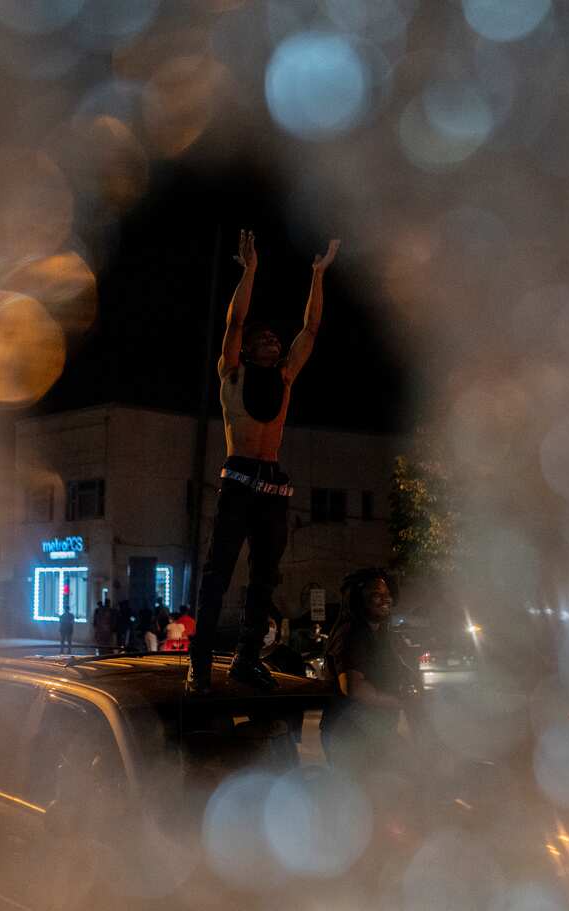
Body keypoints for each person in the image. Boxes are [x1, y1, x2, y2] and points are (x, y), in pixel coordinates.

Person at [188, 228, 341, 696]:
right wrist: (251, 271)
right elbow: (235, 323)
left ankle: (246, 658)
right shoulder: (231, 374)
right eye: (266, 340)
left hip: (272, 483)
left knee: (264, 577)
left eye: (277, 339)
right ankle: (199, 665)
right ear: (250, 350)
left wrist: (317, 276)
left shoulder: (287, 376)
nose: (275, 343)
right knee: (217, 573)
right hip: (238, 478)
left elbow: (310, 329)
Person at [320, 568, 420, 772]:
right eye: (376, 595)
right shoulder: (352, 634)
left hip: (375, 733)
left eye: (388, 594)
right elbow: (354, 688)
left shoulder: (380, 633)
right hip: (351, 737)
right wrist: (401, 701)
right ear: (357, 599)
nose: (386, 599)